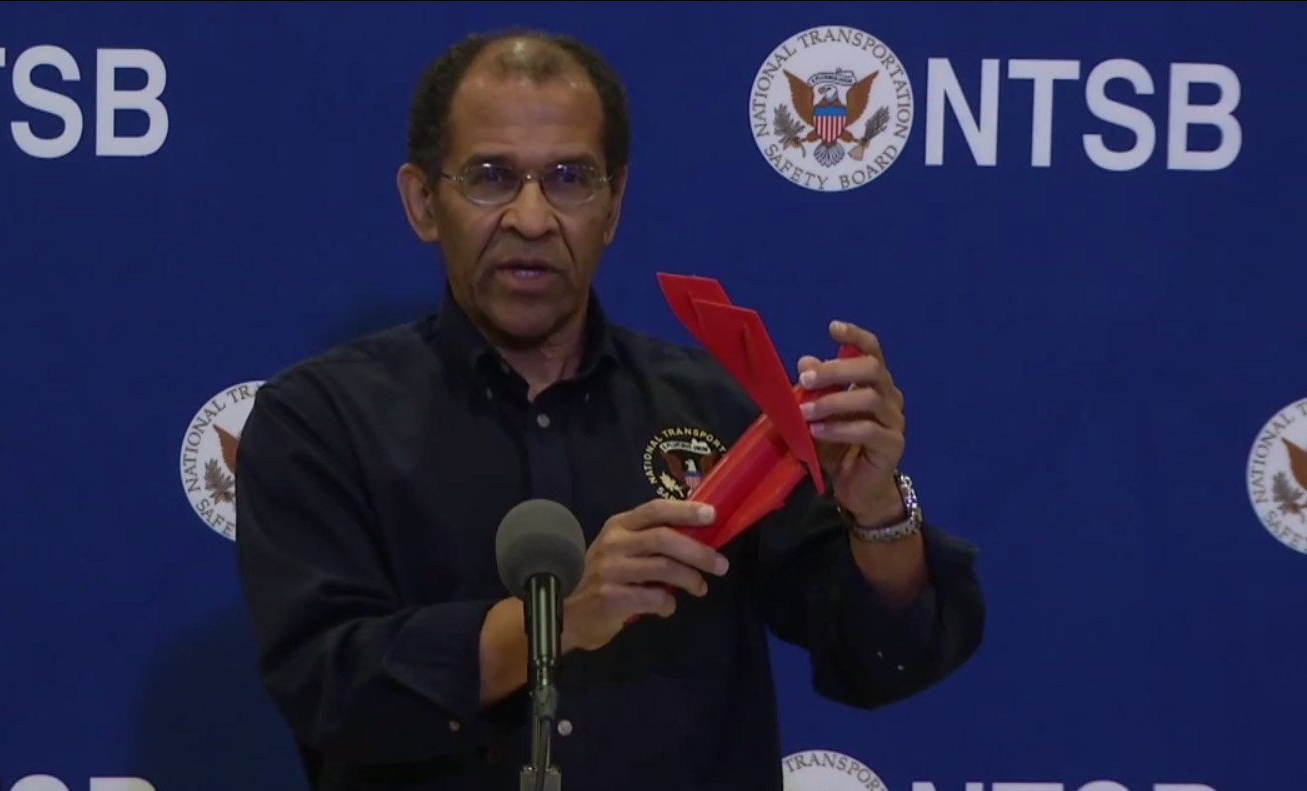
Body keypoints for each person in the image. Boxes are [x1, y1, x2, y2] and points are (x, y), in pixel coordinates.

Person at [232, 27, 985, 791]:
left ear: (613, 204)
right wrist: (554, 622)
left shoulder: (719, 405)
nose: (531, 217)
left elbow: (882, 657)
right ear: (424, 201)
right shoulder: (321, 419)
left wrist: (877, 511)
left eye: (568, 178)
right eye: (492, 176)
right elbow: (326, 685)